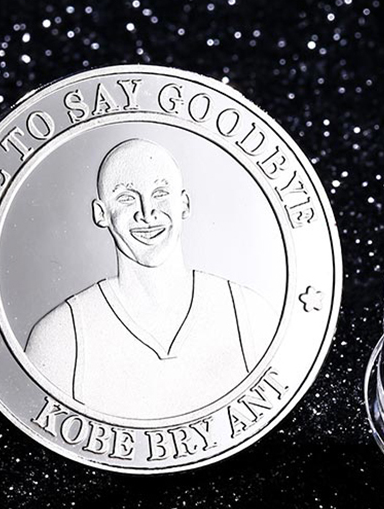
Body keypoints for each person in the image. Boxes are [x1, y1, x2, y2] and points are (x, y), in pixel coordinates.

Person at [25, 138, 277, 419]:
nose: (147, 213)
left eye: (160, 193)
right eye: (126, 198)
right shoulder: (59, 337)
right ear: (101, 213)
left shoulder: (249, 315)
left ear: (184, 204)